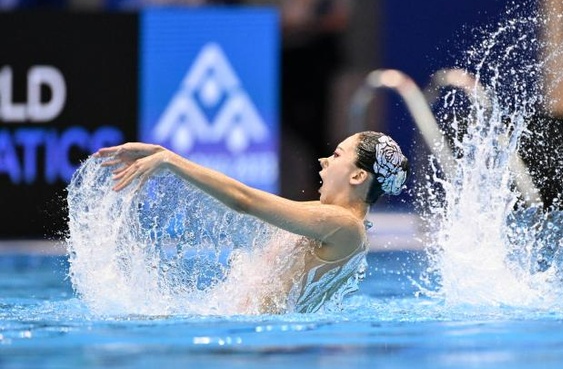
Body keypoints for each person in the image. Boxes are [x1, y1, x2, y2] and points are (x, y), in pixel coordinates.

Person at [94, 131, 408, 313]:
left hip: (258, 341)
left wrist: (170, 160)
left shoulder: (344, 226)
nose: (324, 160)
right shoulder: (327, 218)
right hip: (249, 328)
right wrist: (164, 153)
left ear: (357, 175)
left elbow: (244, 201)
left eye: (337, 155)